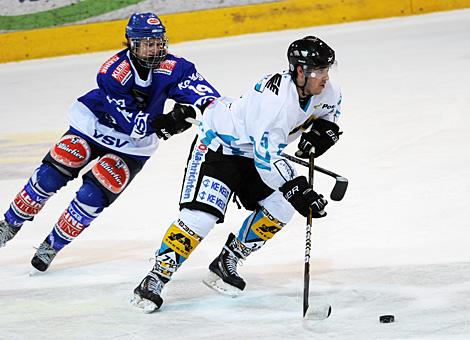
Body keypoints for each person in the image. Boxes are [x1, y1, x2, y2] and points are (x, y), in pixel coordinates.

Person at [131, 35, 343, 313]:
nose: (325, 78)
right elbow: (268, 163)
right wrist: (297, 187)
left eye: (327, 70)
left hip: (256, 151)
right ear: (300, 71)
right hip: (220, 148)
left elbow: (329, 117)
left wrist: (325, 133)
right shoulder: (275, 103)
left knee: (281, 207)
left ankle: (227, 261)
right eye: (318, 72)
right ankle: (156, 277)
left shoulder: (327, 90)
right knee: (201, 218)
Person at [0, 12, 220, 272]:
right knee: (54, 171)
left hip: (131, 147)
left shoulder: (176, 67)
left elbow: (204, 94)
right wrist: (166, 123)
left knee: (95, 193)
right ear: (131, 43)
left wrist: (208, 110)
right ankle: (10, 223)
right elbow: (132, 125)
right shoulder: (113, 72)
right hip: (93, 125)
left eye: (158, 42)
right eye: (147, 43)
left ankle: (52, 245)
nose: (154, 49)